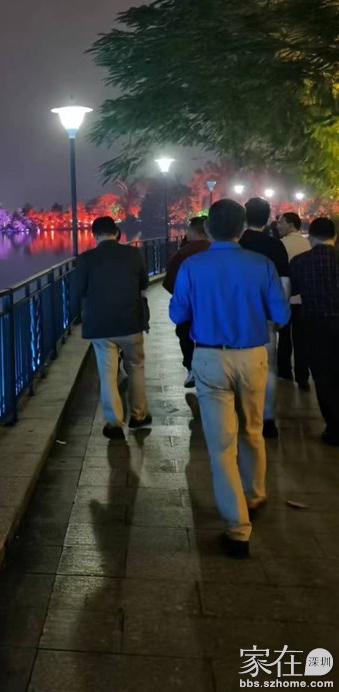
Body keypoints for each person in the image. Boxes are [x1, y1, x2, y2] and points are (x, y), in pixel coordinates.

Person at [170, 199, 290, 557]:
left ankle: (237, 527)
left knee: (222, 444)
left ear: (207, 230)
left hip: (209, 357)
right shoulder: (261, 263)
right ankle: (255, 493)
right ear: (241, 229)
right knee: (252, 430)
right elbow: (281, 315)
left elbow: (178, 313)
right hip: (252, 354)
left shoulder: (192, 265)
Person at [76, 216, 151, 440]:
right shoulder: (133, 254)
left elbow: (79, 290)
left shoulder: (86, 259)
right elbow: (144, 283)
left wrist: (77, 315)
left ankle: (114, 422)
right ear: (117, 233)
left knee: (107, 373)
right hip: (131, 321)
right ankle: (139, 415)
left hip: (101, 324)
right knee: (136, 366)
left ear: (94, 235)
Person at [239, 197, 290, 438]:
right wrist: (280, 315)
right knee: (268, 367)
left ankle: (243, 414)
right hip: (266, 315)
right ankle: (267, 417)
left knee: (239, 366)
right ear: (268, 217)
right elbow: (284, 282)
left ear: (244, 217)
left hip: (239, 314)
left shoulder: (237, 244)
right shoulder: (275, 246)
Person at [290, 217, 339, 446]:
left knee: (322, 376)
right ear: (334, 237)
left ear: (311, 237)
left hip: (314, 326)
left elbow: (293, 293)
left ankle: (334, 427)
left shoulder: (300, 262)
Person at [163, 216, 210, 388]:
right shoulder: (215, 250)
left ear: (193, 232)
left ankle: (191, 368)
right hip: (211, 306)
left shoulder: (182, 254)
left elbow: (170, 282)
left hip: (188, 306)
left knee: (185, 334)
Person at [277, 211, 311, 388]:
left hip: (286, 295)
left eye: (280, 222)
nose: (278, 226)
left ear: (290, 224)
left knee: (284, 336)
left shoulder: (281, 244)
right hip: (304, 297)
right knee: (301, 338)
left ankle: (284, 371)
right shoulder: (307, 243)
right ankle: (302, 375)